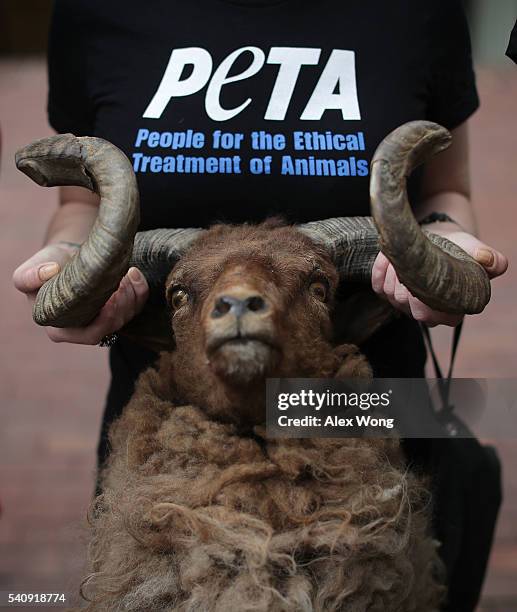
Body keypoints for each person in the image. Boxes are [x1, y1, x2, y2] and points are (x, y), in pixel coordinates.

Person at [12, 1, 508, 609]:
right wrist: (67, 259)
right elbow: (80, 203)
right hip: (171, 431)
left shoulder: (420, 11)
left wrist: (446, 245)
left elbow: (444, 190)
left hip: (358, 414)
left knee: (363, 581)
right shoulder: (96, 11)